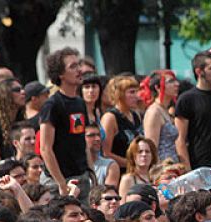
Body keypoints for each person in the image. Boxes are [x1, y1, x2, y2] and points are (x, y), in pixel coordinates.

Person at [40, 47, 91, 201]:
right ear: (60, 74)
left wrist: (91, 171)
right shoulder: (52, 104)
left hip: (81, 177)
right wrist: (61, 183)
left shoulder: (80, 103)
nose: (80, 70)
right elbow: (45, 148)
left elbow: (82, 141)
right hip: (58, 181)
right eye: (73, 66)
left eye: (79, 65)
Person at [175, 51, 211, 170]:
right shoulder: (187, 99)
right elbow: (180, 139)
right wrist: (187, 170)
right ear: (199, 71)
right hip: (198, 165)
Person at [101, 75, 142, 168]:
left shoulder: (135, 115)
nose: (137, 96)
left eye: (137, 91)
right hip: (119, 172)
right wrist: (131, 165)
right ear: (119, 94)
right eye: (132, 92)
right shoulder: (110, 118)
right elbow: (105, 153)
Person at [142, 70, 180, 162]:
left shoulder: (165, 110)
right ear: (157, 88)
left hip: (173, 165)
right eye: (171, 81)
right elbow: (152, 149)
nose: (177, 84)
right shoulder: (154, 112)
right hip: (162, 168)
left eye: (176, 80)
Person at [86, 122, 120, 187]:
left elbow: (108, 195)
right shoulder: (75, 167)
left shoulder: (109, 166)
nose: (97, 139)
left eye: (99, 135)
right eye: (91, 135)